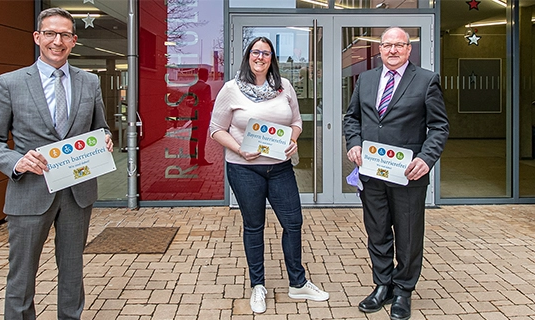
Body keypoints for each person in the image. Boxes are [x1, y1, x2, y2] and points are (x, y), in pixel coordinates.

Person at [0, 8, 113, 320]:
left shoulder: (89, 82)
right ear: (38, 37)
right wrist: (17, 160)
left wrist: (105, 139)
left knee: (72, 271)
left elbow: (101, 128)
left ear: (74, 41)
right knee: (22, 275)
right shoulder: (10, 83)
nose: (58, 41)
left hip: (77, 191)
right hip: (30, 191)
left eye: (65, 35)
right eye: (51, 33)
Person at [209, 36, 329, 314]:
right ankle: (258, 286)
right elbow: (216, 129)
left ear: (272, 58)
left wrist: (294, 139)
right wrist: (240, 149)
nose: (260, 57)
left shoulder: (284, 87)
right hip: (244, 169)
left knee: (293, 222)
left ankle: (297, 283)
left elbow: (296, 121)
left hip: (280, 168)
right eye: (255, 52)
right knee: (254, 227)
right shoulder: (231, 89)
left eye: (266, 53)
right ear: (248, 55)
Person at [343, 27, 449, 320]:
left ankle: (403, 290)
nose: (392, 50)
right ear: (379, 49)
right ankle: (383, 285)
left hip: (408, 175)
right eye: (387, 45)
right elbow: (352, 118)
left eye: (398, 45)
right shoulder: (365, 80)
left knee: (408, 234)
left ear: (408, 49)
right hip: (372, 173)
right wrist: (353, 145)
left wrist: (426, 159)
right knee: (377, 231)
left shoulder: (426, 80)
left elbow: (439, 127)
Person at [188, 68, 213, 165]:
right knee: (202, 137)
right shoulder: (206, 87)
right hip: (203, 115)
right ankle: (201, 159)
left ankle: (193, 158)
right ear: (205, 76)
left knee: (193, 136)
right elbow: (207, 102)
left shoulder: (192, 87)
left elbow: (189, 101)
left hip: (194, 114)